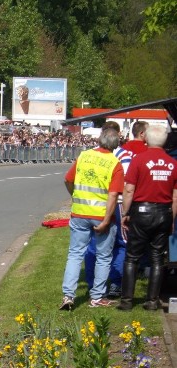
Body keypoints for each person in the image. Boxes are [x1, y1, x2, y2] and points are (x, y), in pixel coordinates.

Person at [60, 128, 124, 310]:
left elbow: (67, 180)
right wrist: (106, 220)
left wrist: (74, 195)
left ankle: (68, 295)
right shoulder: (115, 163)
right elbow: (113, 195)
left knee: (75, 254)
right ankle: (96, 297)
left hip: (79, 212)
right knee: (104, 257)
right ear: (116, 144)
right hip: (100, 215)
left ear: (99, 140)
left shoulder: (84, 156)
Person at [117, 125, 177, 311]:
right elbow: (175, 196)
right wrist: (171, 220)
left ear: (147, 139)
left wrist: (125, 213)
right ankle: (152, 301)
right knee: (157, 258)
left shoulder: (138, 160)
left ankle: (127, 300)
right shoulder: (173, 164)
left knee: (132, 256)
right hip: (163, 213)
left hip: (141, 212)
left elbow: (128, 189)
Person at [84, 121, 133, 298]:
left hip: (96, 203)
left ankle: (94, 283)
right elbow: (127, 185)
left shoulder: (89, 155)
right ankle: (114, 282)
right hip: (117, 202)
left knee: (94, 243)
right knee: (120, 243)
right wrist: (127, 209)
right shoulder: (124, 155)